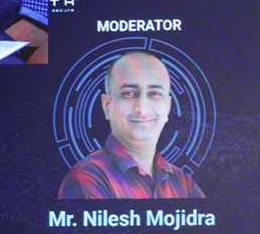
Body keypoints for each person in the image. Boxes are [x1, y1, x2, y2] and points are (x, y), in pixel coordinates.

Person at [58, 51, 207, 199]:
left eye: (155, 93)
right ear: (107, 106)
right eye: (129, 93)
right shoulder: (87, 178)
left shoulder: (184, 182)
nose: (142, 108)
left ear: (167, 107)